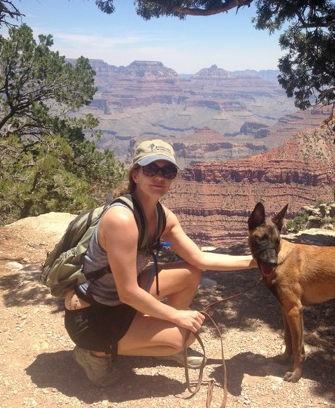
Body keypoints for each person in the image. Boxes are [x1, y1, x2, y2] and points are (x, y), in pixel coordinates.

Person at [64, 139, 257, 386]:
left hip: (121, 300)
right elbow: (128, 293)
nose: (160, 177)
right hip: (94, 315)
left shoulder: (163, 216)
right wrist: (177, 317)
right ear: (135, 174)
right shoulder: (121, 219)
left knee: (189, 271)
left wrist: (254, 262)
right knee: (182, 337)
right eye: (151, 169)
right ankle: (92, 354)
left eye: (168, 171)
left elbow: (199, 258)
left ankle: (156, 343)